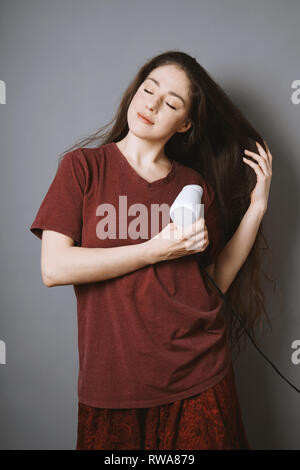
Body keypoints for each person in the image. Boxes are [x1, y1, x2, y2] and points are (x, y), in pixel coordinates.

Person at [29, 50, 274, 450]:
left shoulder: (193, 186)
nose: (152, 104)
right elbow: (54, 267)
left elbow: (212, 284)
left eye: (172, 103)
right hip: (113, 386)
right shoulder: (82, 169)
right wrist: (152, 250)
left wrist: (257, 208)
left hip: (199, 377)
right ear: (135, 92)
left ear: (185, 123)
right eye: (149, 90)